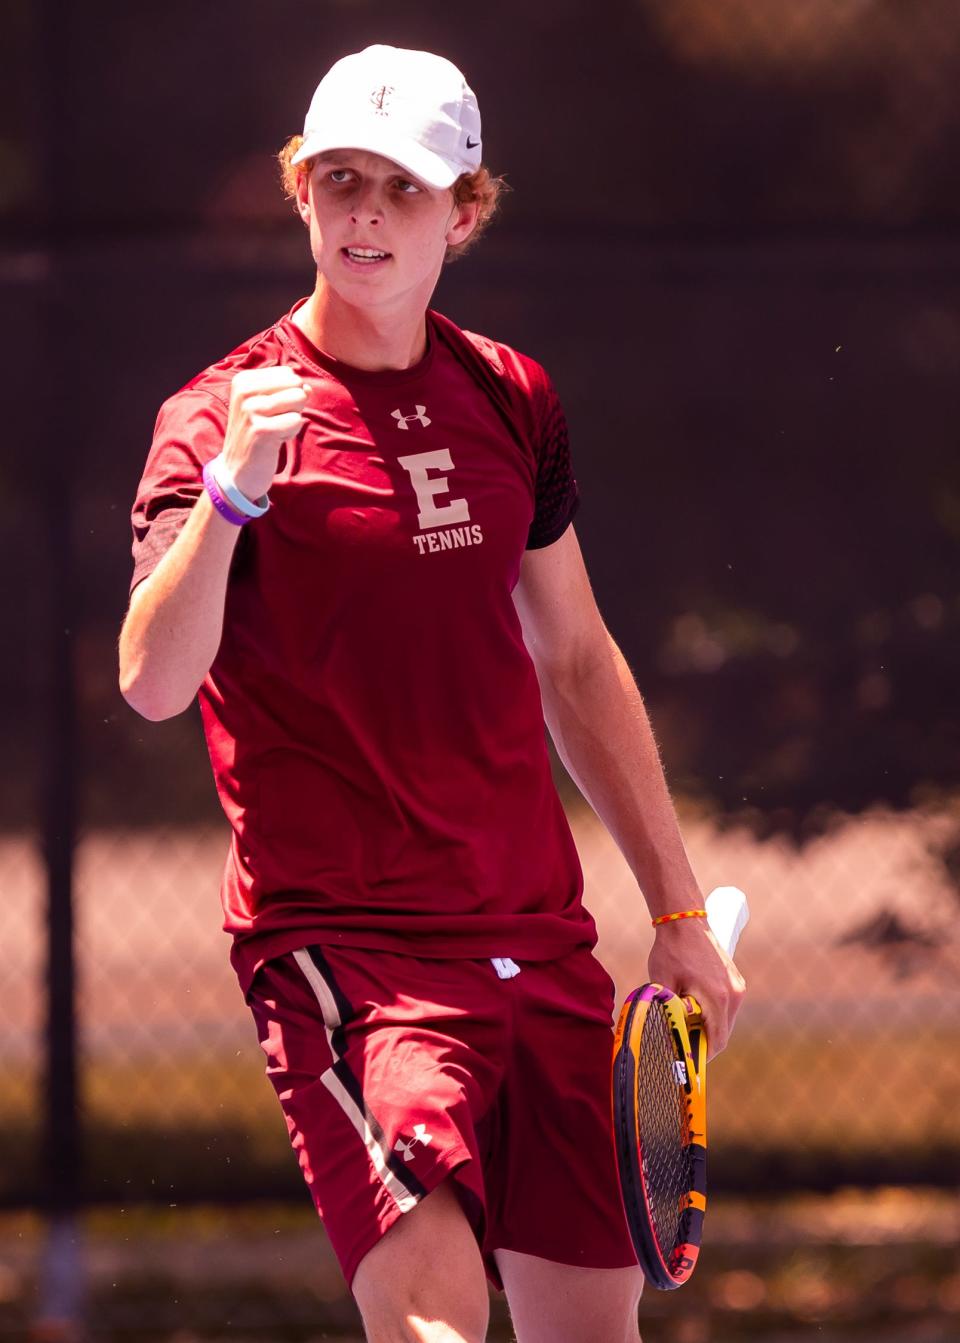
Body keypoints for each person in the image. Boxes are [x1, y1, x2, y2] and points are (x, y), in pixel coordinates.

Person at [119, 43, 745, 1343]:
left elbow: (575, 657)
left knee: (592, 1332)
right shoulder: (217, 418)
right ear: (299, 191)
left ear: (464, 211)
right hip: (354, 958)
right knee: (435, 1329)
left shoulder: (513, 396)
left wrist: (677, 908)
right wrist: (233, 496)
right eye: (339, 179)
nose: (365, 214)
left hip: (543, 946)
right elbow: (152, 683)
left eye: (402, 189)